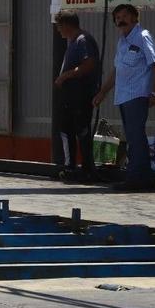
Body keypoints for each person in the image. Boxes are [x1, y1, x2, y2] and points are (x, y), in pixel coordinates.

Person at [92, 4, 155, 190]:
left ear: (134, 18)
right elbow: (117, 70)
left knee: (135, 136)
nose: (120, 20)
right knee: (133, 137)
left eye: (125, 16)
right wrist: (103, 92)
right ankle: (141, 177)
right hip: (124, 96)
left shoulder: (142, 37)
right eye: (117, 18)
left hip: (137, 94)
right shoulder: (122, 42)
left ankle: (136, 179)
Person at [53, 10, 101, 181]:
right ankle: (70, 166)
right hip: (69, 96)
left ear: (66, 25)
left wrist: (65, 75)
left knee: (81, 130)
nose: (58, 30)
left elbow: (88, 65)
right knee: (66, 130)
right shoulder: (72, 42)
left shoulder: (83, 40)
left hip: (79, 95)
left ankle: (88, 169)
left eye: (59, 26)